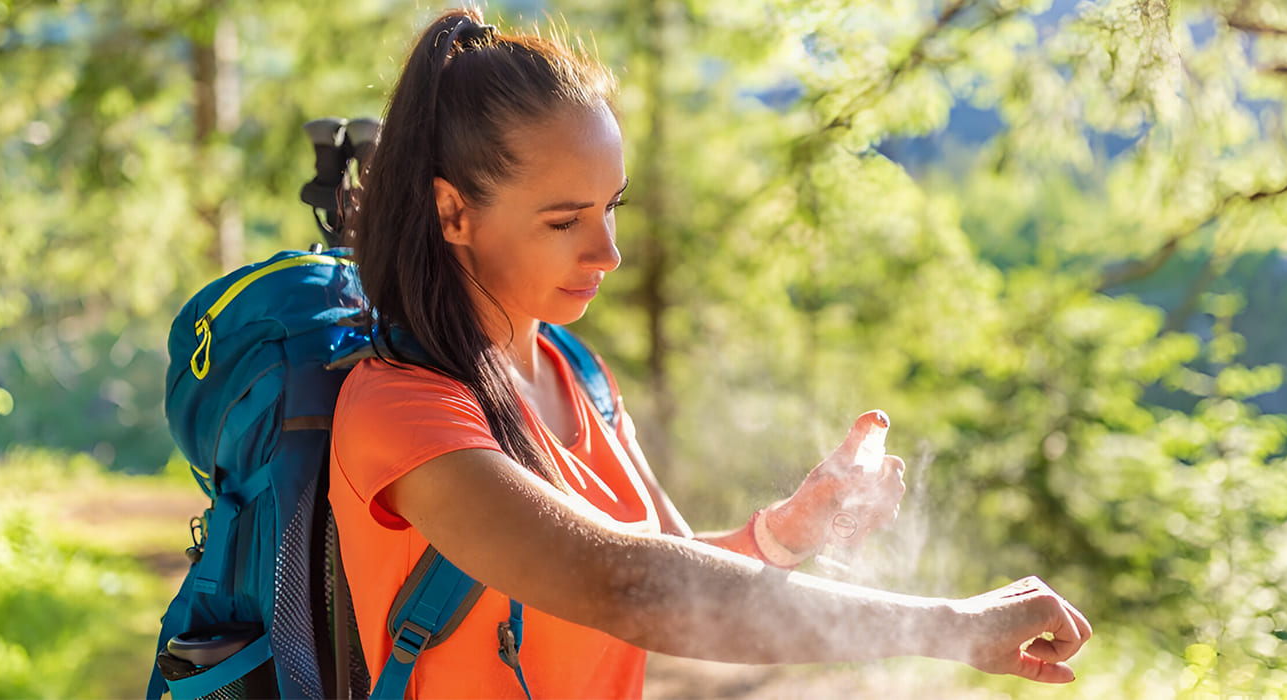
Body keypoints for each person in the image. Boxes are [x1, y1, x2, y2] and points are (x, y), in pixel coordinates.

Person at [330, 8, 1093, 698]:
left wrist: (787, 530)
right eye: (566, 221)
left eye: (612, 207)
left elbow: (678, 578)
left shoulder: (577, 373)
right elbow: (624, 585)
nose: (609, 252)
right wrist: (949, 626)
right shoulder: (402, 408)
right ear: (452, 212)